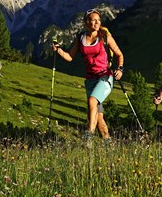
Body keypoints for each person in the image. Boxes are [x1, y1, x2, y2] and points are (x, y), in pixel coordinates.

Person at [52, 9, 124, 143]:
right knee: (98, 119)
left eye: (99, 20)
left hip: (105, 77)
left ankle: (88, 135)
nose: (97, 22)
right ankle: (109, 145)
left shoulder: (104, 36)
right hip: (90, 80)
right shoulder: (81, 38)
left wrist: (120, 69)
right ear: (86, 22)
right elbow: (69, 57)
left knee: (92, 101)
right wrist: (59, 50)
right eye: (93, 20)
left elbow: (119, 54)